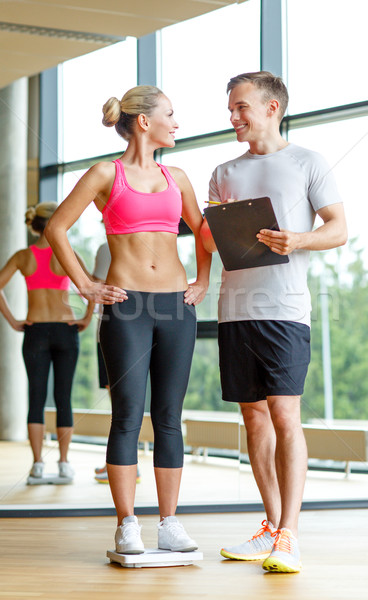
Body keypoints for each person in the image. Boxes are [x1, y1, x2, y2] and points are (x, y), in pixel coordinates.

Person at [45, 85, 211, 554]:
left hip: (176, 306)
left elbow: (203, 231)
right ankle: (127, 523)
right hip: (126, 307)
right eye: (170, 115)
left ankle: (170, 522)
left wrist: (202, 279)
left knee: (169, 418)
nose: (176, 123)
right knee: (127, 417)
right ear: (144, 121)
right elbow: (56, 228)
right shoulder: (105, 174)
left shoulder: (177, 176)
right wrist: (87, 286)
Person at [200, 71, 347, 573]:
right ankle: (269, 526)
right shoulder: (223, 170)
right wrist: (210, 223)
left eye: (242, 107)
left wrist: (297, 240)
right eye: (231, 108)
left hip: (284, 309)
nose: (234, 116)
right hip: (235, 308)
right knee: (253, 416)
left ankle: (291, 534)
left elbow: (339, 228)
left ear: (271, 108)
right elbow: (210, 240)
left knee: (284, 411)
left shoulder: (308, 162)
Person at [0, 202, 94, 481]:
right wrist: (87, 318)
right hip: (66, 330)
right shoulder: (68, 254)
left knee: (36, 398)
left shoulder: (23, 256)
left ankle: (38, 463)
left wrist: (13, 321)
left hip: (36, 331)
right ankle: (64, 463)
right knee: (63, 398)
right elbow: (91, 287)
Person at [91, 240, 141, 485]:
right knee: (132, 401)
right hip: (139, 328)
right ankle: (132, 462)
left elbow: (96, 286)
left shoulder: (106, 247)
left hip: (114, 328)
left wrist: (85, 316)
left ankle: (129, 463)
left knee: (121, 405)